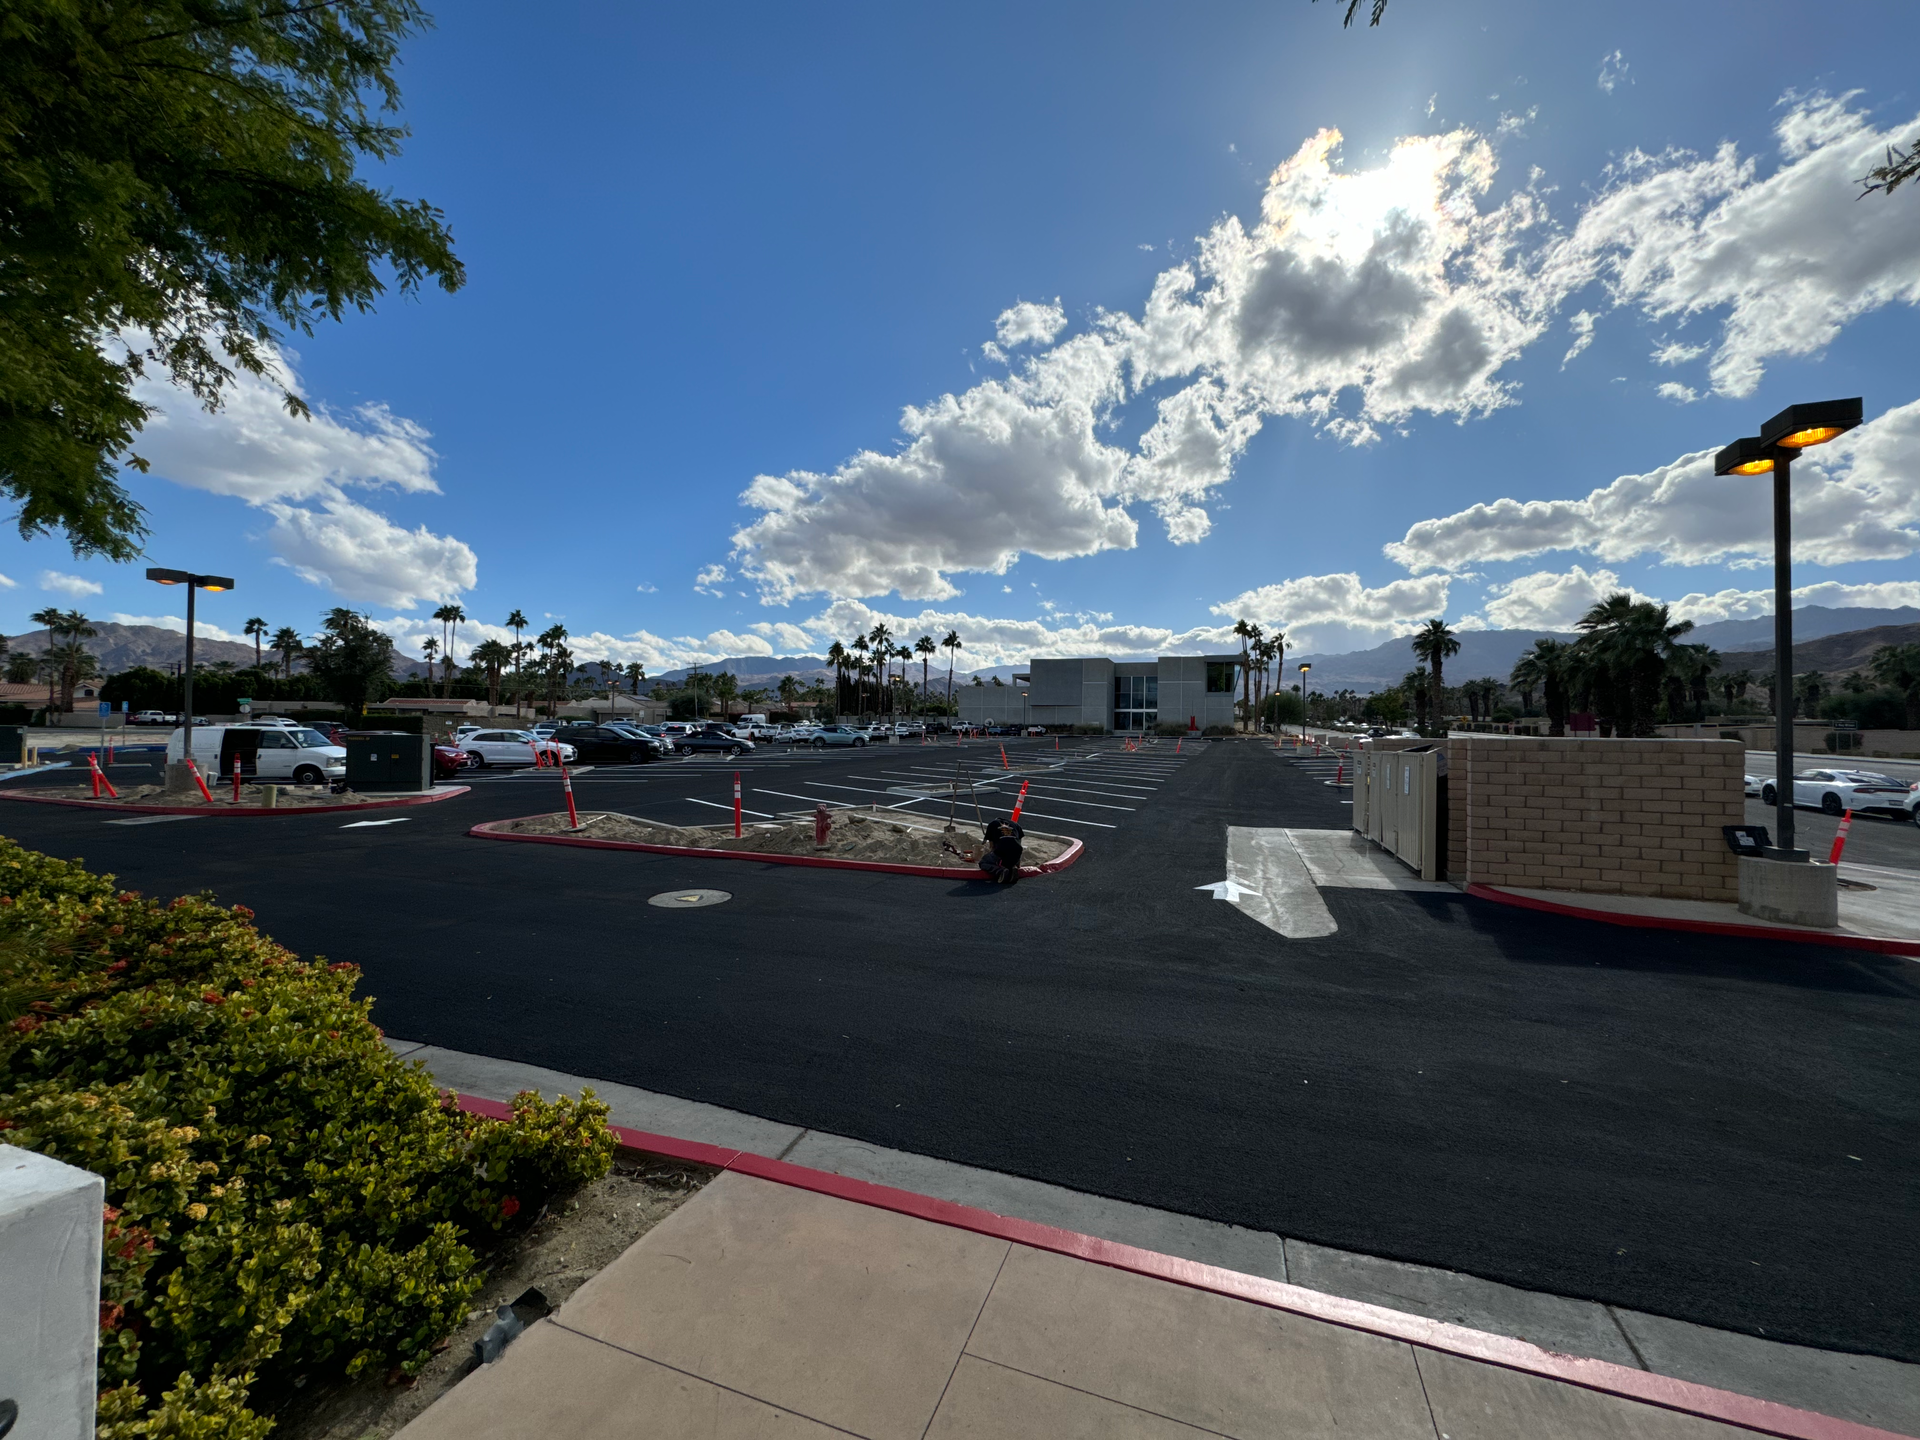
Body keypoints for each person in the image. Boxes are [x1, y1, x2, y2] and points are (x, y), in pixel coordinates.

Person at [978, 816, 1024, 884]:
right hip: (1017, 851)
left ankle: (1000, 871)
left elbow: (992, 847)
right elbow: (1019, 844)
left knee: (983, 862)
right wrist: (1017, 863)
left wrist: (988, 855)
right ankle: (1012, 867)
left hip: (1002, 851)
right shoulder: (1016, 825)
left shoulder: (992, 824)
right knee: (1011, 856)